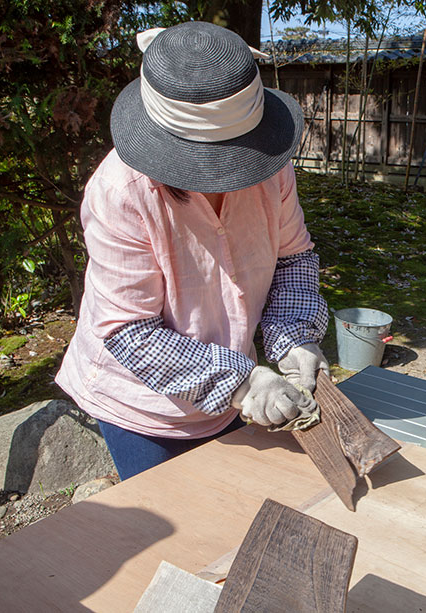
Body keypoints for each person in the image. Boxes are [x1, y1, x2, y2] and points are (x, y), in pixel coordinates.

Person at [56, 21, 330, 481]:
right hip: (140, 402)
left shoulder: (272, 169)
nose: (229, 176)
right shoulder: (120, 192)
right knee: (177, 526)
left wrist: (294, 335)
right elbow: (129, 331)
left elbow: (292, 258)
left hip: (229, 386)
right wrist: (243, 382)